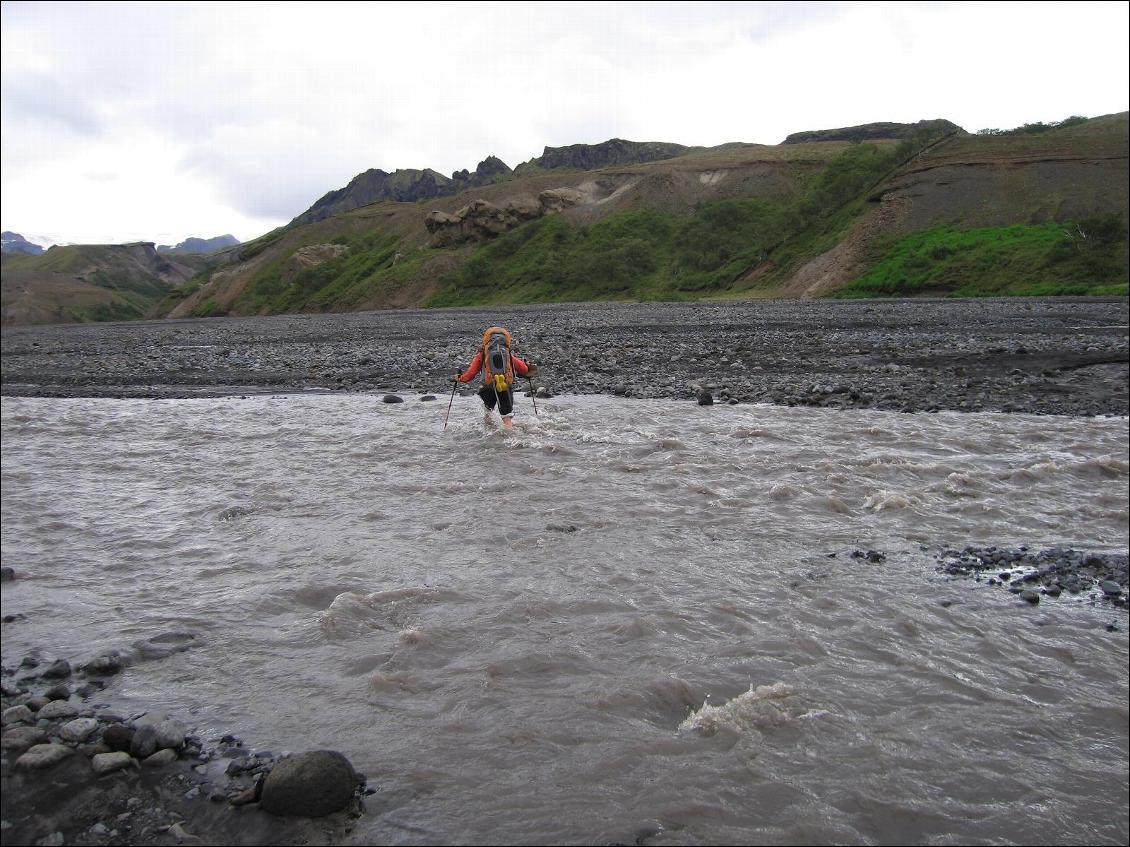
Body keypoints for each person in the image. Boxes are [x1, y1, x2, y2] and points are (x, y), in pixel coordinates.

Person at [453, 326, 538, 428]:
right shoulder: (507, 353)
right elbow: (524, 370)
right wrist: (528, 366)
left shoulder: (482, 353)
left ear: (486, 339)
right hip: (505, 386)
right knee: (506, 418)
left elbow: (470, 374)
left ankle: (489, 433)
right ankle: (509, 437)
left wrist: (460, 378)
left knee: (488, 412)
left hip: (488, 386)